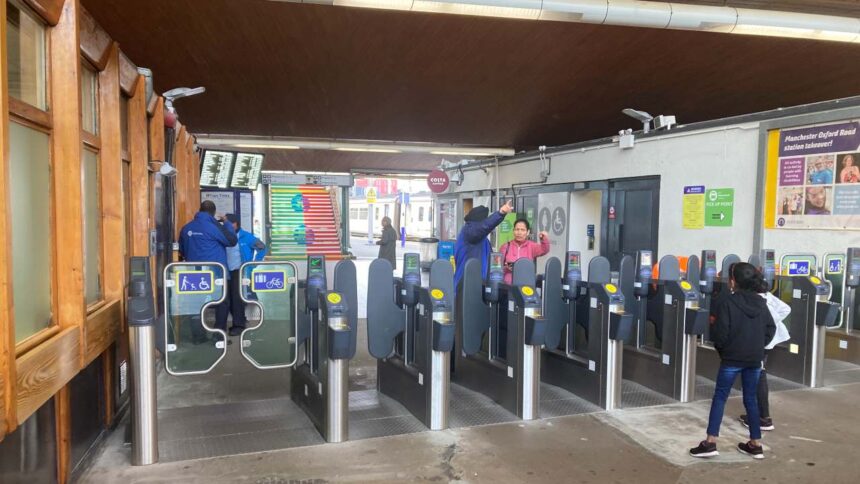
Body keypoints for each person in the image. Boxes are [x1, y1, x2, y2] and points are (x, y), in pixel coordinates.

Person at [690, 262, 776, 460]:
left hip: (732, 359)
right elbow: (770, 329)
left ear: (733, 281)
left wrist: (725, 351)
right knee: (751, 399)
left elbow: (720, 334)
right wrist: (757, 347)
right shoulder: (761, 303)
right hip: (754, 359)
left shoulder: (728, 303)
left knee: (720, 397)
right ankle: (755, 444)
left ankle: (710, 442)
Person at [179, 201, 238, 343]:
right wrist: (227, 223)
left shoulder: (186, 228)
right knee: (221, 303)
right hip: (216, 272)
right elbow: (232, 240)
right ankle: (218, 337)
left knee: (195, 303)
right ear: (213, 213)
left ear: (199, 210)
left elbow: (181, 249)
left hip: (194, 272)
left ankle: (198, 337)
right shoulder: (214, 227)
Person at [738, 276, 791, 432]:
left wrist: (769, 322)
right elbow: (786, 309)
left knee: (759, 374)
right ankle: (759, 415)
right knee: (758, 372)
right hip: (769, 339)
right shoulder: (767, 296)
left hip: (763, 340)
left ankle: (764, 418)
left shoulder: (756, 300)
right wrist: (773, 321)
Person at [453, 200, 514, 287]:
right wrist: (500, 213)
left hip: (480, 284)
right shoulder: (470, 232)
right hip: (466, 285)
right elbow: (484, 227)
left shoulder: (482, 239)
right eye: (486, 219)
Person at [225, 214, 267, 336]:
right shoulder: (224, 235)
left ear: (235, 224)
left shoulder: (246, 236)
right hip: (226, 270)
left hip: (240, 270)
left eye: (229, 223)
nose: (227, 225)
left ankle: (239, 325)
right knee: (228, 298)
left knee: (237, 298)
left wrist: (254, 263)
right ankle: (241, 319)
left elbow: (262, 247)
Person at [498, 219, 550, 284]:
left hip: (526, 284)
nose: (519, 232)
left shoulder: (532, 246)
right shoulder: (505, 246)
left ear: (527, 232)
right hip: (508, 285)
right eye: (517, 229)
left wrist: (544, 238)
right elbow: (498, 266)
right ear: (513, 231)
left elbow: (544, 249)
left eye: (522, 230)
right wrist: (507, 265)